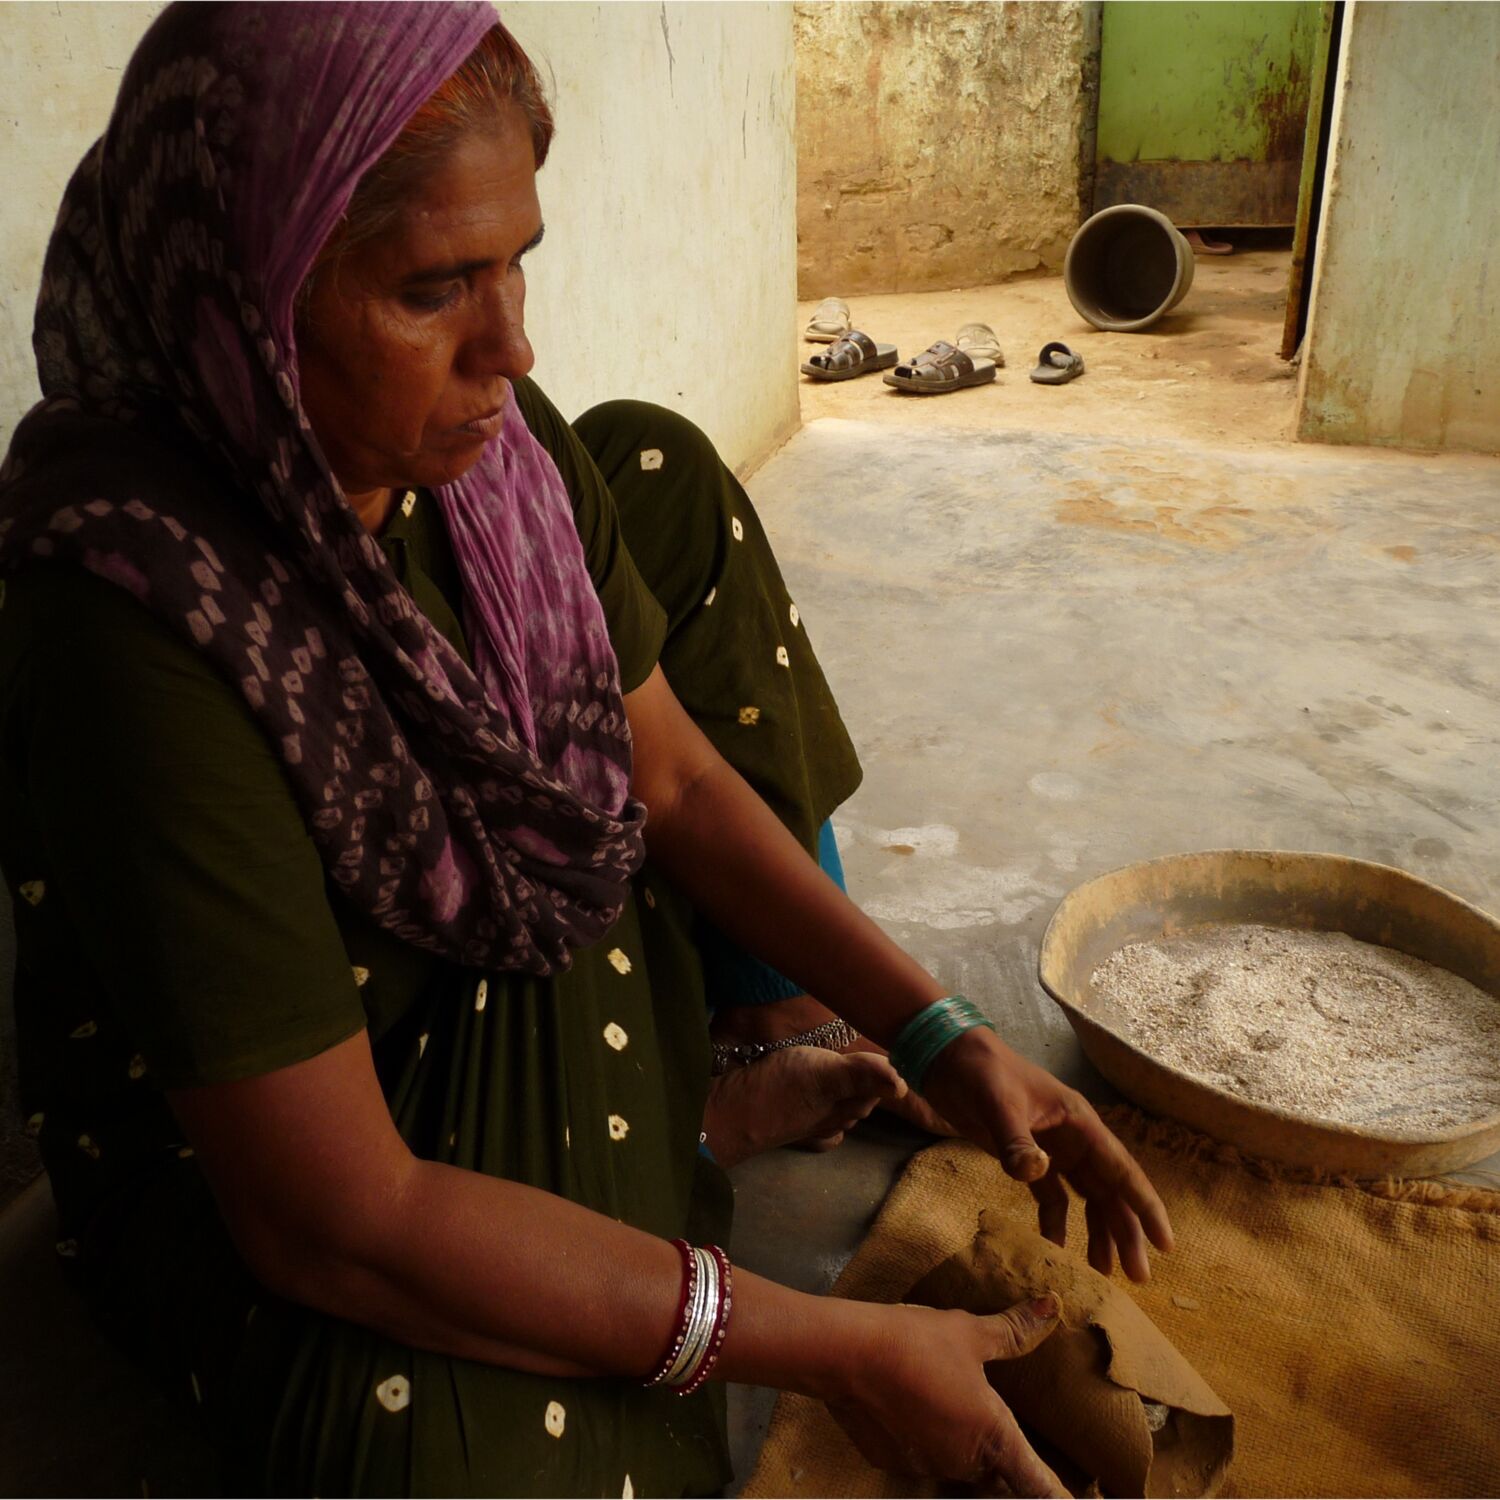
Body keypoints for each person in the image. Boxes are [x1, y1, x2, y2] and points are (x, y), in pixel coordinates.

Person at [0, 5, 1173, 1495]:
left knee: (652, 471)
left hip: (465, 966)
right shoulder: (140, 628)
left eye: (515, 263)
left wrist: (945, 1030)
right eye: (432, 289)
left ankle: (723, 1082)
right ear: (241, 294)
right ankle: (690, 1131)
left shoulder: (490, 459)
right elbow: (334, 1219)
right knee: (435, 1454)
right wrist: (831, 1344)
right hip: (291, 1158)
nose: (511, 343)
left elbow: (672, 776)